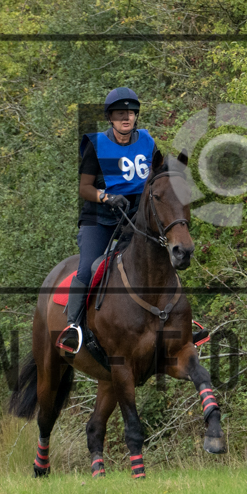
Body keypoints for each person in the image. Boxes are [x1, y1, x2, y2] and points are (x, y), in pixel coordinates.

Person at [58, 87, 155, 354]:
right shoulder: (97, 145)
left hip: (133, 217)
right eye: (119, 113)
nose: (126, 117)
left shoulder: (147, 142)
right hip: (99, 218)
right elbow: (84, 188)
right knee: (89, 268)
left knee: (160, 255)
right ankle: (73, 327)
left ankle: (179, 321)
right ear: (110, 118)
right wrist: (106, 197)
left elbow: (157, 177)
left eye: (131, 113)